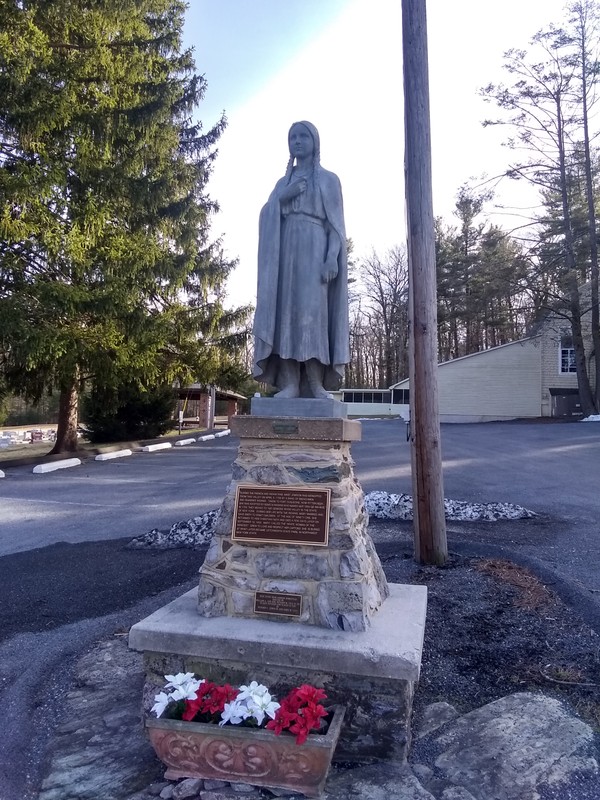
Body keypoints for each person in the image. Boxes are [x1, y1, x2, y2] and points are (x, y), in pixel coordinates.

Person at [253, 121, 350, 399]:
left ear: (314, 142)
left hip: (315, 248)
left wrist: (331, 257)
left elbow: (337, 227)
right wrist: (283, 197)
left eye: (303, 136)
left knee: (313, 317)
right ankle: (290, 384)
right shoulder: (283, 182)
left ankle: (316, 384)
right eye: (292, 136)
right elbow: (267, 215)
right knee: (286, 316)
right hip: (285, 255)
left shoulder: (329, 180)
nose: (297, 141)